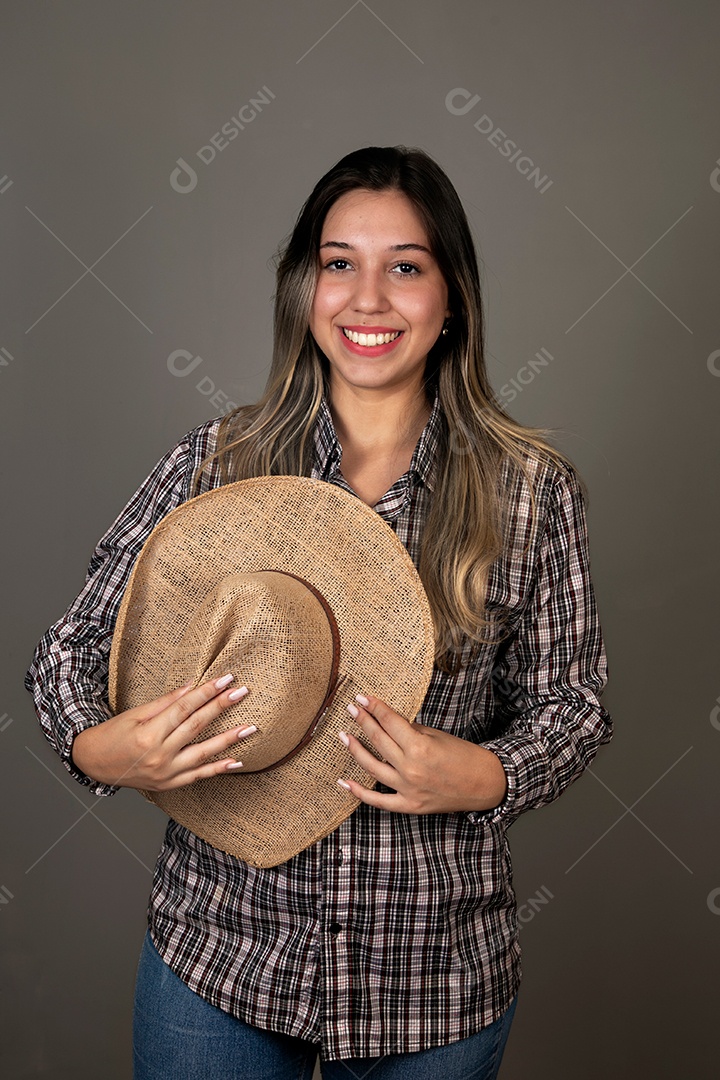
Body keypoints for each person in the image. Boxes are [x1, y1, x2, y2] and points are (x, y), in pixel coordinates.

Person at [25, 145, 612, 1080]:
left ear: (452, 296)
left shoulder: (529, 492)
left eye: (405, 267)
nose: (367, 299)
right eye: (340, 263)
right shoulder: (216, 462)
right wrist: (101, 752)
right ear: (306, 288)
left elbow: (572, 706)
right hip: (216, 959)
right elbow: (72, 650)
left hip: (433, 976)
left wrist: (489, 775)